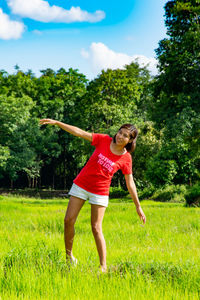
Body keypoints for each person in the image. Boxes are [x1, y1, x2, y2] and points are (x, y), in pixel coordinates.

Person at [39, 119, 146, 272]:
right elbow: (80, 132)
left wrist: (138, 206)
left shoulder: (126, 158)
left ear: (130, 141)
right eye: (120, 132)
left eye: (125, 136)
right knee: (68, 220)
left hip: (100, 192)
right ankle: (69, 258)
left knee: (96, 228)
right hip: (81, 185)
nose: (120, 136)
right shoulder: (103, 140)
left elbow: (130, 183)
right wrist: (58, 123)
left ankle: (103, 266)